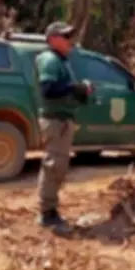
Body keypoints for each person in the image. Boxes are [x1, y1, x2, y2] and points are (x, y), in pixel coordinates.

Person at [36, 21, 93, 230]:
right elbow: (48, 89)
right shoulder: (50, 60)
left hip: (62, 121)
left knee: (58, 167)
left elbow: (63, 89)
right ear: (52, 39)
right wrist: (73, 88)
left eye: (70, 35)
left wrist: (80, 90)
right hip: (55, 121)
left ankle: (50, 210)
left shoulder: (62, 60)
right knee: (54, 167)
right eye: (65, 36)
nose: (70, 40)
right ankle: (47, 214)